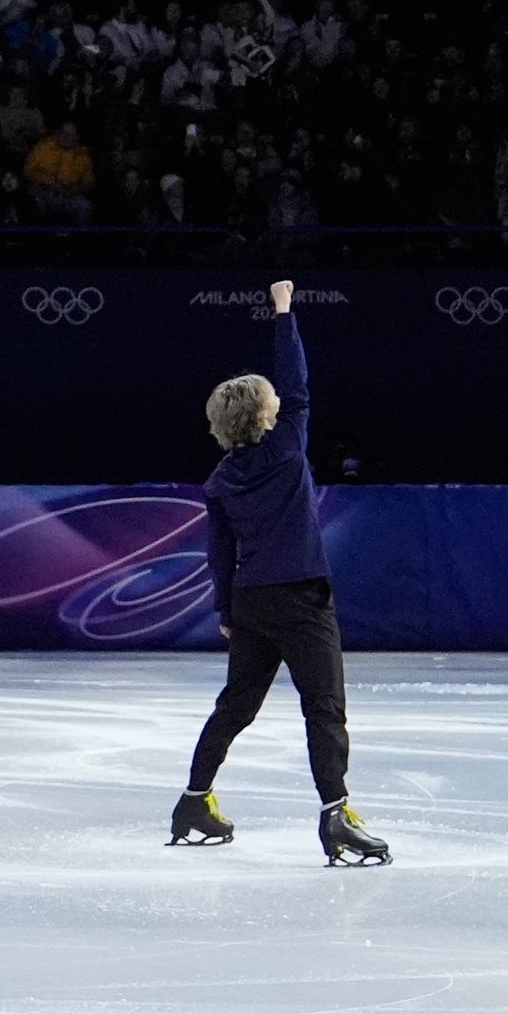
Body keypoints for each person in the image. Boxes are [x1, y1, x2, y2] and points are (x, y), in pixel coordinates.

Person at [172, 279, 387, 863]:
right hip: (300, 598)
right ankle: (336, 816)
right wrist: (284, 312)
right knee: (325, 707)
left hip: (250, 602)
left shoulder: (219, 481)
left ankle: (194, 800)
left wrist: (224, 612)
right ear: (267, 416)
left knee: (236, 704)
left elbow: (219, 554)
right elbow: (296, 383)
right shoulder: (289, 445)